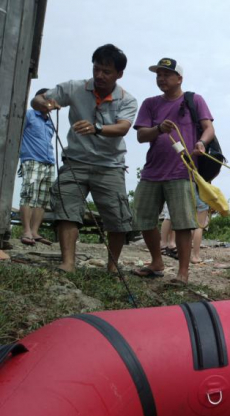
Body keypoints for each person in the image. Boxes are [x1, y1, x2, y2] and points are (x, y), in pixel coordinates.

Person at [33, 44, 138, 273]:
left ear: (119, 74)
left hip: (110, 166)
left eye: (106, 72)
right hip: (75, 162)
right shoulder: (74, 88)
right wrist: (44, 104)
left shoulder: (127, 100)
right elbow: (38, 99)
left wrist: (96, 128)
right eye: (96, 69)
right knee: (66, 210)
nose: (99, 75)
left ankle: (112, 265)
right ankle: (68, 263)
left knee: (118, 218)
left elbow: (122, 128)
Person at [130, 57, 215, 283]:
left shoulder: (193, 100)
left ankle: (183, 273)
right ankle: (156, 262)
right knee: (143, 219)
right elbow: (140, 136)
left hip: (182, 171)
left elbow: (208, 128)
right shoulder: (150, 103)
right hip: (151, 172)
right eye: (158, 75)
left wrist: (201, 143)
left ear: (179, 78)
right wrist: (158, 128)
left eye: (167, 74)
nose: (161, 78)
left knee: (183, 223)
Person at [18, 88, 55, 246]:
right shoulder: (29, 114)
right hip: (32, 159)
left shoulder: (50, 122)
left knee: (43, 199)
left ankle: (34, 231)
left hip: (49, 162)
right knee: (28, 194)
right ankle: (26, 231)